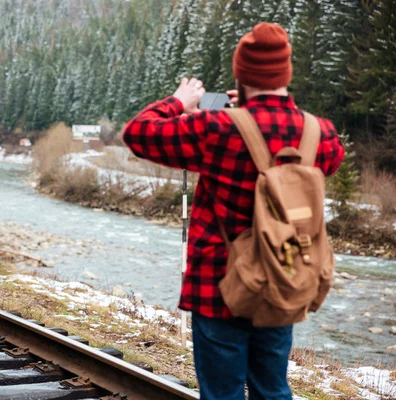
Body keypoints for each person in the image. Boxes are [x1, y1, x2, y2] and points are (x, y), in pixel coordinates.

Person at [123, 23, 344, 399]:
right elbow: (328, 161)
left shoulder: (216, 128)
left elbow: (138, 133)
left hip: (220, 287)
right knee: (271, 389)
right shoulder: (319, 133)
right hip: (283, 276)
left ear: (241, 74)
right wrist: (252, 118)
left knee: (222, 394)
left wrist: (179, 102)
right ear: (285, 74)